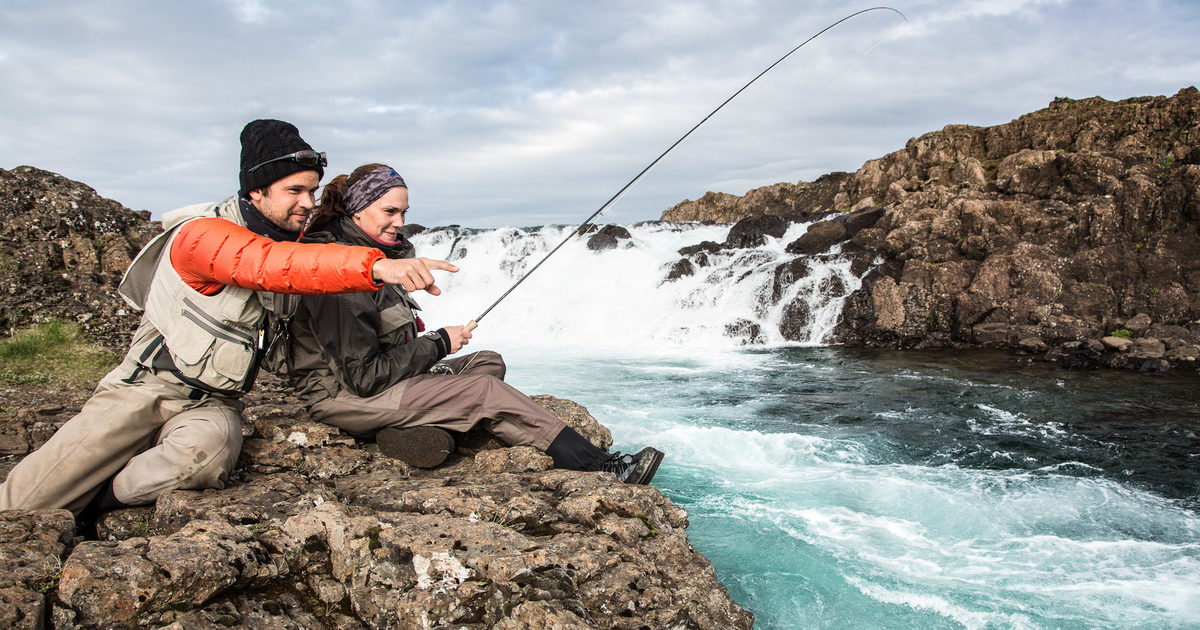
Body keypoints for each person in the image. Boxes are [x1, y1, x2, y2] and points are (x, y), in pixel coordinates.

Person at [0, 121, 454, 517]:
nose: (308, 202)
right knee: (21, 504)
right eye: (294, 190)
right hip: (146, 390)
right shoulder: (203, 235)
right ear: (256, 190)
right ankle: (70, 487)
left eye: (313, 190)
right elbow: (269, 264)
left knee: (207, 458)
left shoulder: (292, 241)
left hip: (216, 403)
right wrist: (374, 266)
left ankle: (97, 498)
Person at [280, 163, 664, 484]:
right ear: (358, 210)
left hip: (379, 378)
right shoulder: (340, 272)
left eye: (404, 213)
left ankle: (425, 429)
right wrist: (438, 344)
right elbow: (363, 378)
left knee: (488, 362)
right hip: (345, 397)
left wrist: (437, 358)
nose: (400, 223)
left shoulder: (376, 257)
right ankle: (601, 466)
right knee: (484, 391)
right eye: (389, 212)